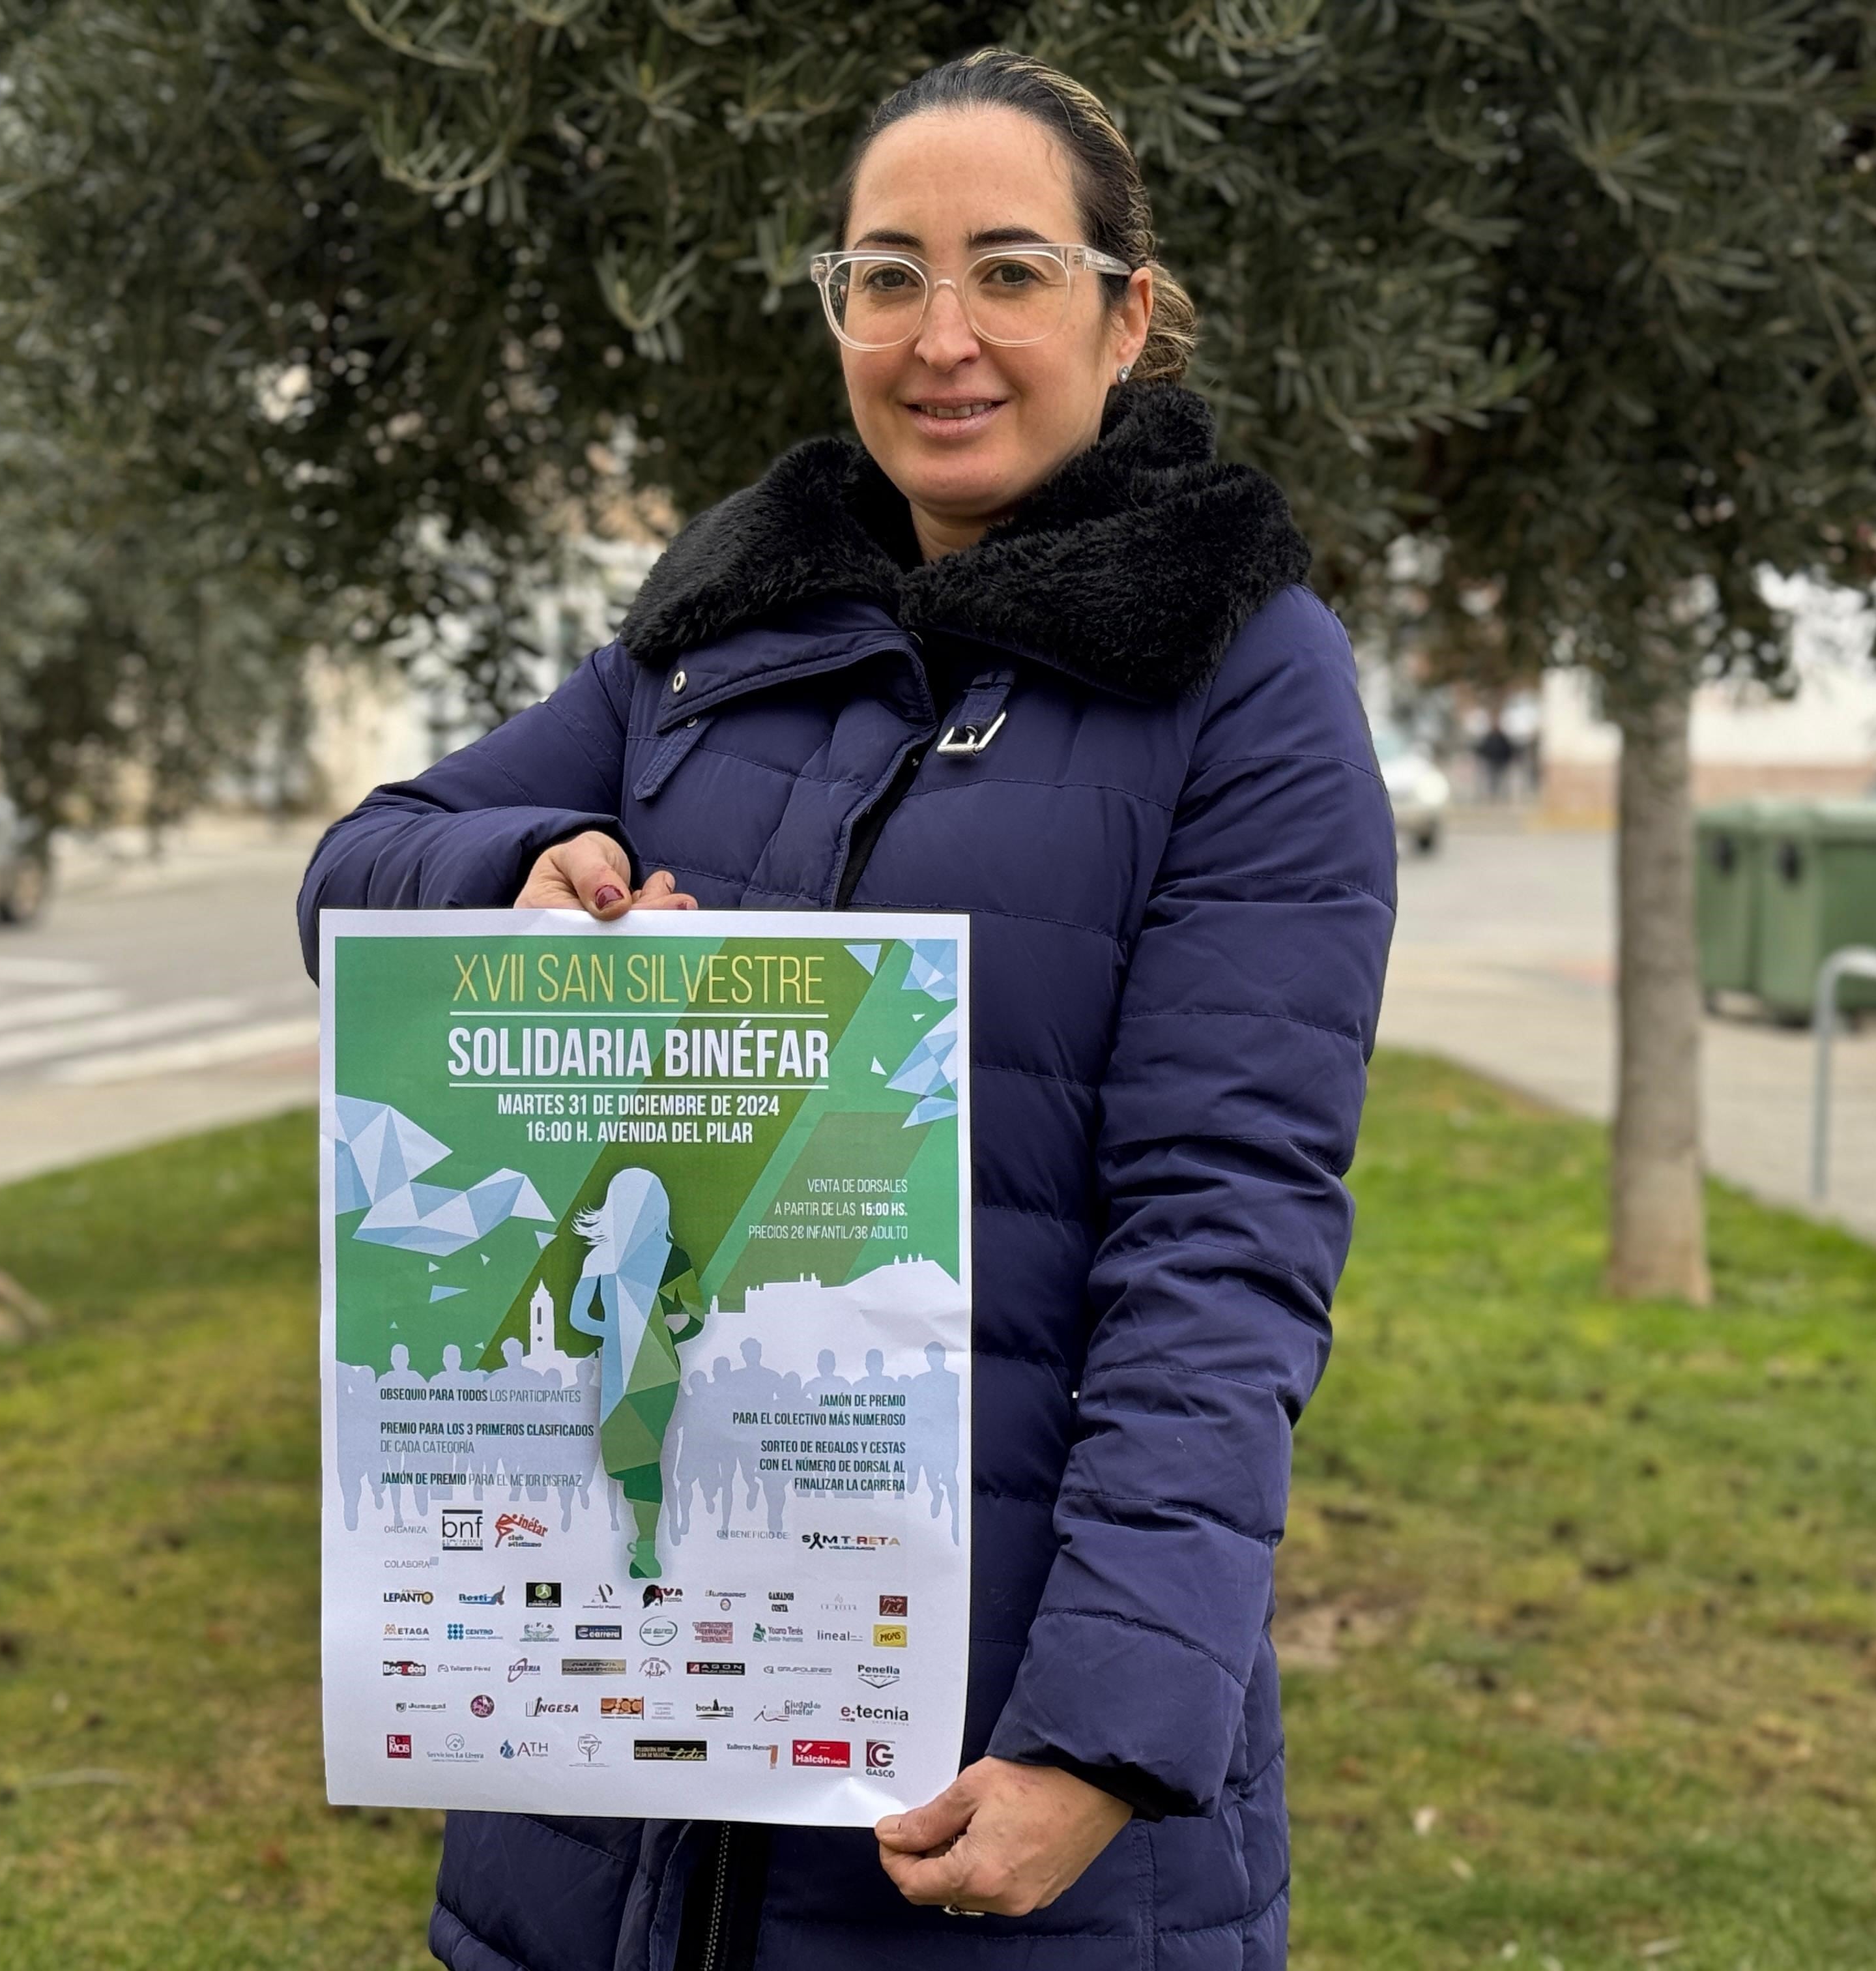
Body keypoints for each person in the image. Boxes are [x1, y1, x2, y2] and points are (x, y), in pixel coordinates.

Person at [296, 46, 1393, 1971]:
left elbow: (1225, 1241)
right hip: (608, 1755)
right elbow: (362, 873)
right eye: (886, 275)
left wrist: (1106, 1741)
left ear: (1128, 317)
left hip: (982, 1765)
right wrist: (529, 862)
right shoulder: (718, 631)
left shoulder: (1245, 675)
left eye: (1010, 272)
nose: (940, 336)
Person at [563, 1167, 706, 1579]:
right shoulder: (672, 1257)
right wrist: (662, 1337)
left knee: (635, 1461)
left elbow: (580, 1317)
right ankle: (644, 1539)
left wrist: (618, 1331)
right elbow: (695, 1320)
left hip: (621, 1367)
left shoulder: (599, 1258)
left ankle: (646, 1549)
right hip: (657, 1369)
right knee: (634, 1460)